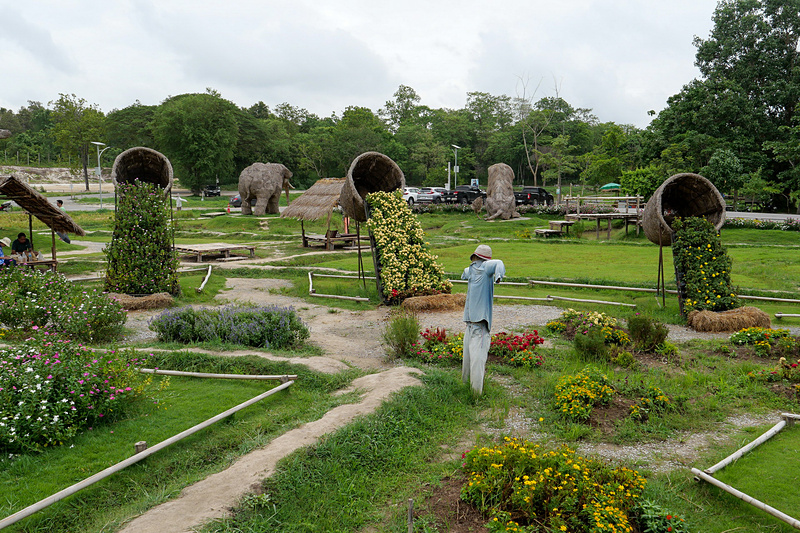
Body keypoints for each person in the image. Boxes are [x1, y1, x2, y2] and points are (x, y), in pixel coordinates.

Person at [461, 244, 505, 395]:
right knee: (467, 361)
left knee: (477, 361)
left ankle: (475, 395)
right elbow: (466, 272)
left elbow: (499, 263)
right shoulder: (472, 270)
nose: (475, 263)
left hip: (480, 325)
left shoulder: (486, 268)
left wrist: (499, 275)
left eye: (476, 260)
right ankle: (465, 388)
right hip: (469, 324)